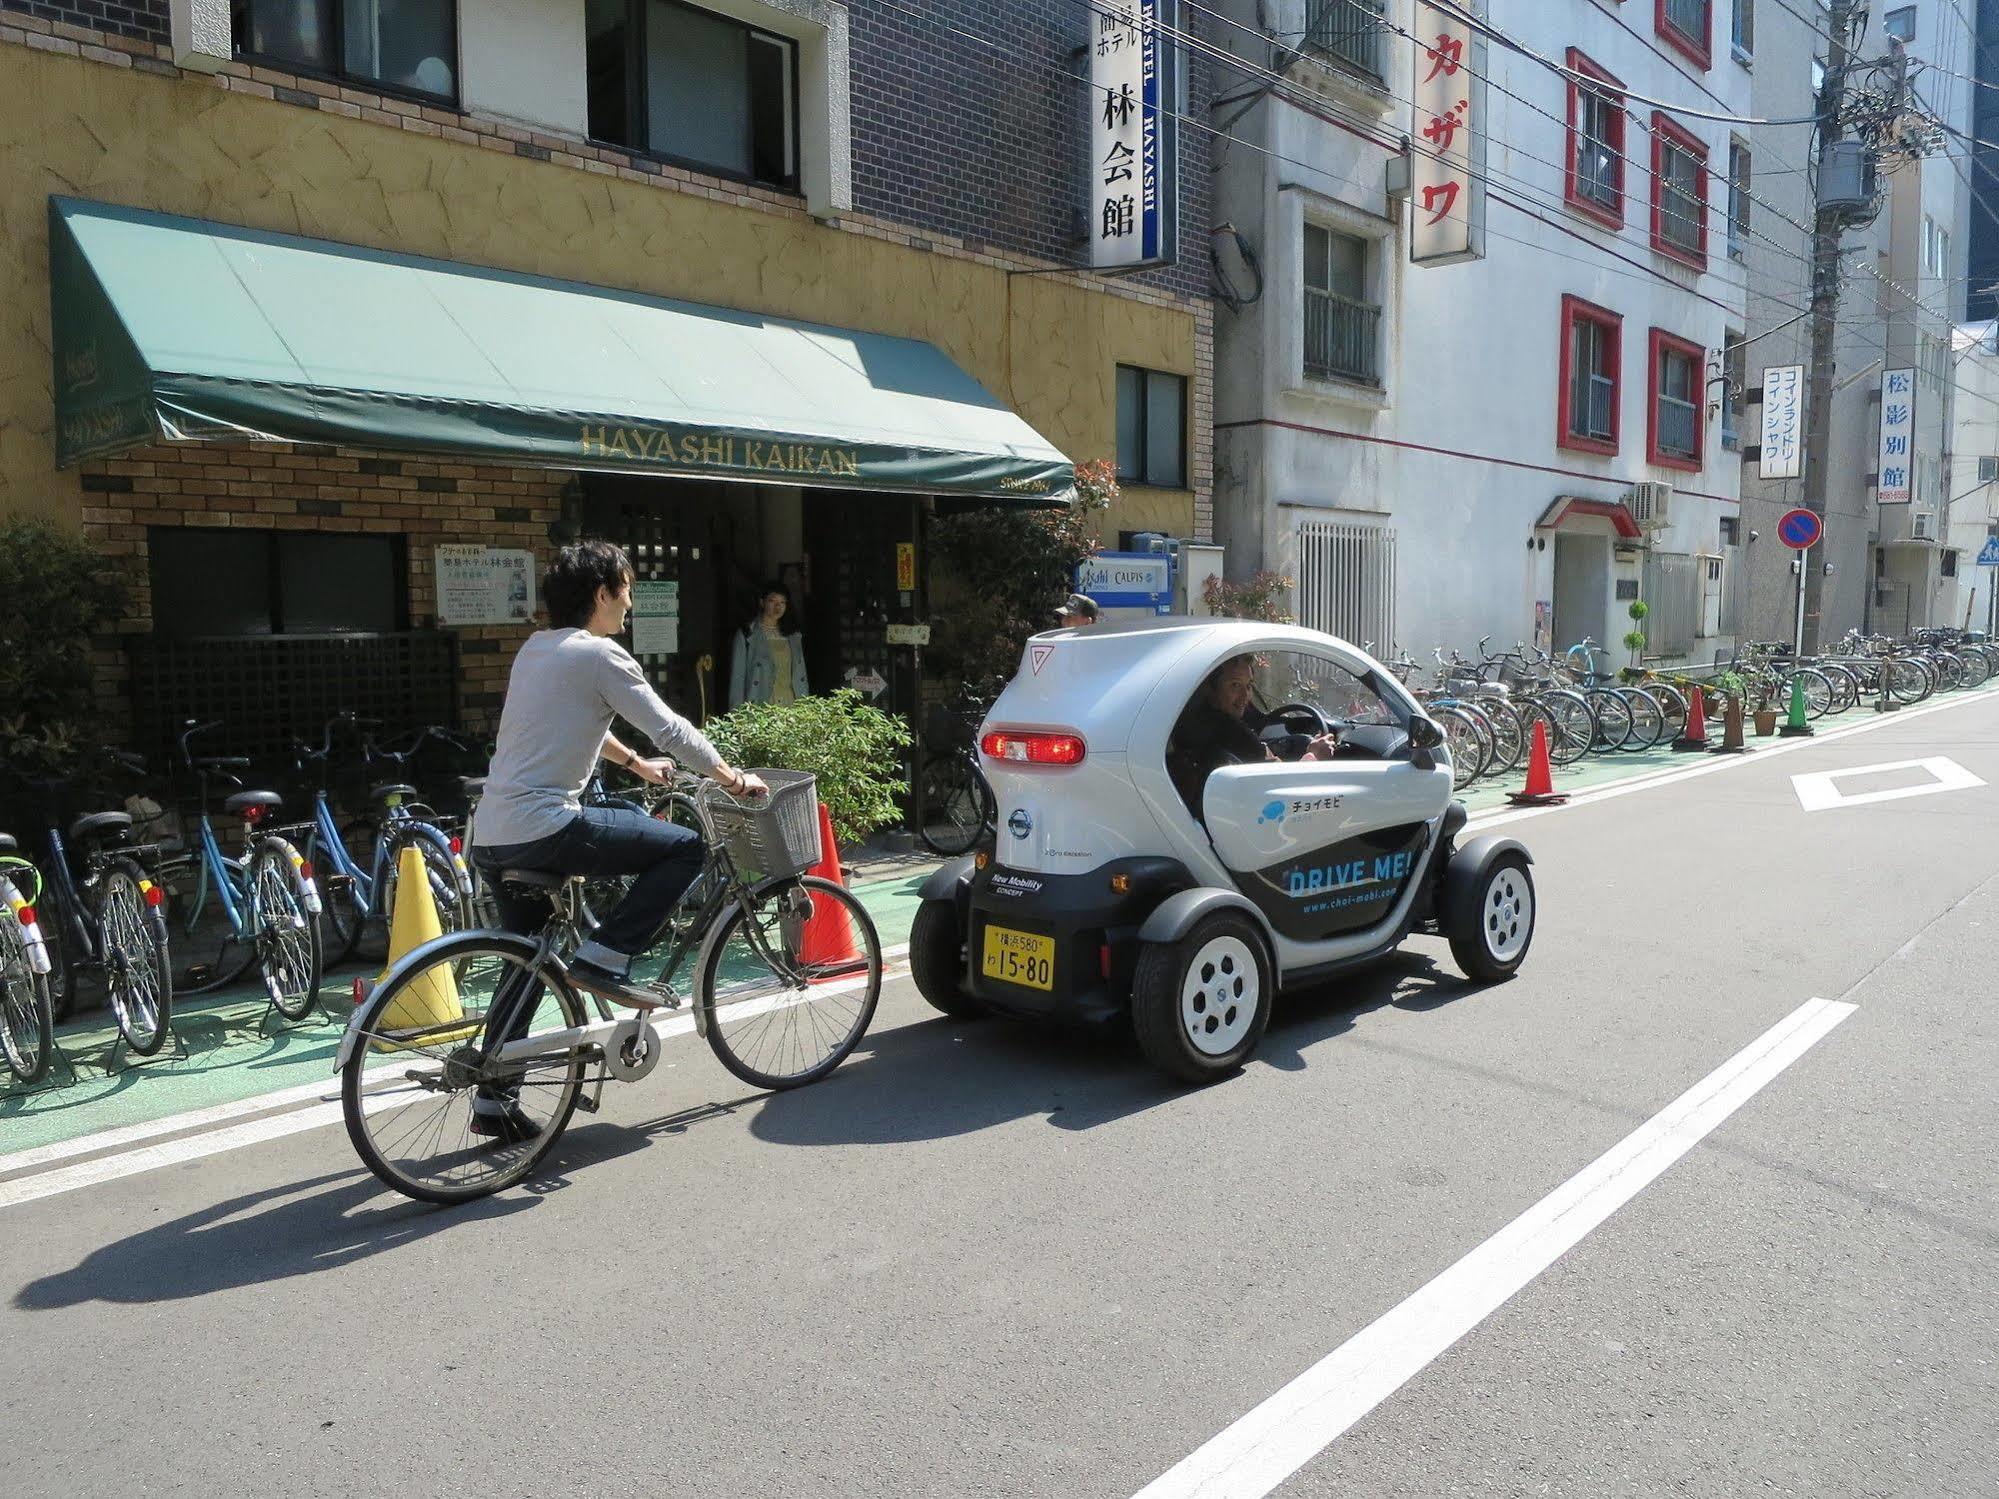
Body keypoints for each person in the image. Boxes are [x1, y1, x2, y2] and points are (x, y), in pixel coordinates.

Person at [472, 541, 767, 1137]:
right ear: (602, 594)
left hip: (491, 833)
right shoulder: (601, 655)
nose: (629, 603)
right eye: (626, 589)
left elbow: (579, 720)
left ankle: (492, 1099)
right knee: (682, 847)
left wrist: (634, 764)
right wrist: (733, 779)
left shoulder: (537, 650)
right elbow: (673, 728)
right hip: (546, 827)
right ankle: (607, 955)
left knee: (524, 961)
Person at [1166, 655, 1338, 815]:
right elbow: (1287, 785)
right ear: (1209, 688)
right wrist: (1314, 754)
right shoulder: (1229, 731)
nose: (1245, 697)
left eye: (1248, 686)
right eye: (1235, 685)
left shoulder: (1190, 724)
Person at [729, 580, 810, 707]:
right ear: (762, 602)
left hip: (792, 705)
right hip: (761, 706)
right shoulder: (747, 635)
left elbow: (801, 676)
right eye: (772, 601)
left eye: (782, 602)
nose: (778, 607)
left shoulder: (794, 636)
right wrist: (738, 718)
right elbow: (737, 680)